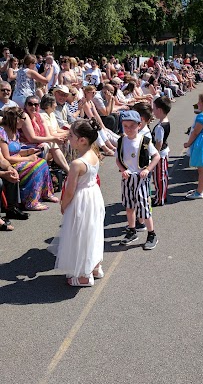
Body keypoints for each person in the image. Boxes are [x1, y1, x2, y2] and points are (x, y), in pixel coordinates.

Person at [53, 119, 105, 286]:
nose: (68, 138)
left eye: (71, 135)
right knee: (93, 231)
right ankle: (95, 267)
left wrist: (64, 205)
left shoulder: (77, 164)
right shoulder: (94, 154)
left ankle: (84, 276)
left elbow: (70, 190)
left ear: (82, 140)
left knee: (80, 234)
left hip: (82, 199)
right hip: (94, 195)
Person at [116, 110, 160, 250]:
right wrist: (123, 170)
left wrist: (147, 170)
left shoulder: (144, 141)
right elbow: (118, 159)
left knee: (144, 208)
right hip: (127, 178)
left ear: (139, 125)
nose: (128, 129)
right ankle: (132, 230)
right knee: (129, 207)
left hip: (141, 178)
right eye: (125, 126)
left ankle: (151, 234)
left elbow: (156, 156)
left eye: (132, 126)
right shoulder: (121, 140)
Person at [0, 107, 58, 210]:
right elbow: (7, 157)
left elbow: (16, 152)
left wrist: (28, 152)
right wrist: (28, 158)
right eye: (23, 118)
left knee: (43, 162)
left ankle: (46, 193)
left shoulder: (15, 131)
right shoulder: (2, 133)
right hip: (9, 165)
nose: (25, 121)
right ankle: (30, 201)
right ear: (17, 119)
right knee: (36, 167)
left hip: (17, 159)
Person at [20, 96, 69, 173]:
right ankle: (44, 171)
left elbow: (48, 135)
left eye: (36, 105)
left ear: (38, 106)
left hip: (38, 143)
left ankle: (67, 170)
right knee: (46, 145)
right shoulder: (25, 116)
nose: (33, 107)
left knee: (51, 142)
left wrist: (55, 139)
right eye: (30, 104)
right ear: (26, 105)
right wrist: (53, 139)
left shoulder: (40, 116)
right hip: (26, 145)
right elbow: (31, 138)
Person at [151, 96, 171, 206]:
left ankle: (160, 198)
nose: (153, 111)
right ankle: (160, 195)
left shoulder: (160, 127)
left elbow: (159, 143)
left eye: (154, 109)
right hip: (164, 152)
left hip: (160, 154)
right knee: (162, 176)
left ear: (159, 110)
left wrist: (154, 155)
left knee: (159, 177)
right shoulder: (166, 122)